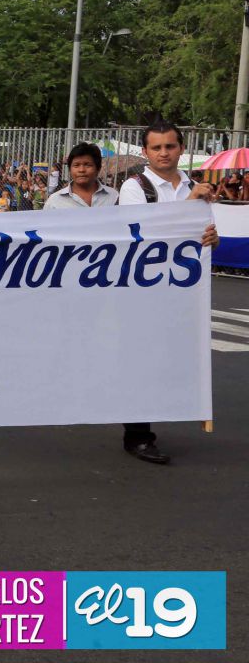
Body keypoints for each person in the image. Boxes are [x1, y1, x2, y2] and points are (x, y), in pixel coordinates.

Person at [113, 121, 219, 465]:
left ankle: (153, 418)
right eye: (156, 148)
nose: (163, 153)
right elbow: (148, 233)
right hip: (142, 290)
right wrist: (191, 202)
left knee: (166, 357)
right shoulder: (135, 187)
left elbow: (197, 233)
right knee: (139, 359)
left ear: (181, 148)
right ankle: (138, 434)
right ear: (145, 152)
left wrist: (210, 239)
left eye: (170, 147)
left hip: (181, 289)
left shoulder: (194, 186)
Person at [43, 143, 118, 209]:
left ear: (98, 168)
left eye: (87, 165)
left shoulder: (114, 196)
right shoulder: (54, 202)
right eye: (76, 165)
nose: (81, 170)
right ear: (70, 169)